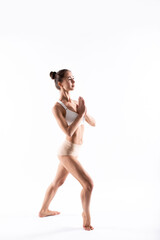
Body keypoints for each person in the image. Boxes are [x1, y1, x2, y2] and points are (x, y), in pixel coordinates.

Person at [39, 69, 96, 231]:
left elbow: (93, 122)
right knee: (88, 184)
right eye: (69, 79)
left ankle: (44, 210)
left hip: (75, 151)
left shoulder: (77, 103)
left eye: (73, 78)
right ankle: (86, 216)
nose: (73, 82)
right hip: (67, 152)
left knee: (58, 182)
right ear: (60, 84)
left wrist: (84, 112)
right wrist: (80, 115)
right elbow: (68, 132)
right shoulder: (57, 107)